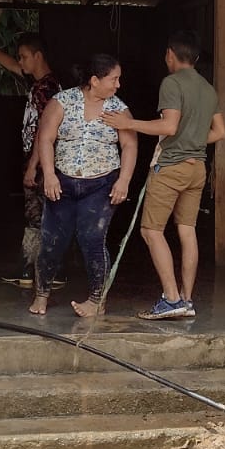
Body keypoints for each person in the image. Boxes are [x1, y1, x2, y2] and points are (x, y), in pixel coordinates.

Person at [102, 30, 225, 319]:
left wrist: (128, 123)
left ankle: (171, 299)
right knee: (187, 230)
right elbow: (220, 132)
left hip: (171, 167)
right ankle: (187, 299)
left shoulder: (172, 83)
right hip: (197, 168)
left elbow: (169, 127)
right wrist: (192, 141)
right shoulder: (207, 88)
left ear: (170, 54)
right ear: (195, 58)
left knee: (151, 231)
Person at [30, 54, 139, 319]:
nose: (118, 85)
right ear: (94, 80)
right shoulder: (62, 101)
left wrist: (124, 180)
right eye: (114, 79)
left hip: (101, 184)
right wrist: (49, 175)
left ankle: (96, 300)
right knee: (52, 240)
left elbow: (129, 145)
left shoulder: (118, 109)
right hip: (62, 182)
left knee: (92, 238)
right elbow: (46, 139)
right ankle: (41, 294)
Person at [0, 23, 62, 287]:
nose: (20, 61)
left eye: (24, 56)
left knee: (38, 215)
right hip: (41, 160)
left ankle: (38, 270)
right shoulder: (40, 82)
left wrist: (33, 165)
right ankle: (36, 270)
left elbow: (44, 130)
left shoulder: (46, 89)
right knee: (41, 215)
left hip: (42, 161)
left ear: (38, 56)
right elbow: (10, 65)